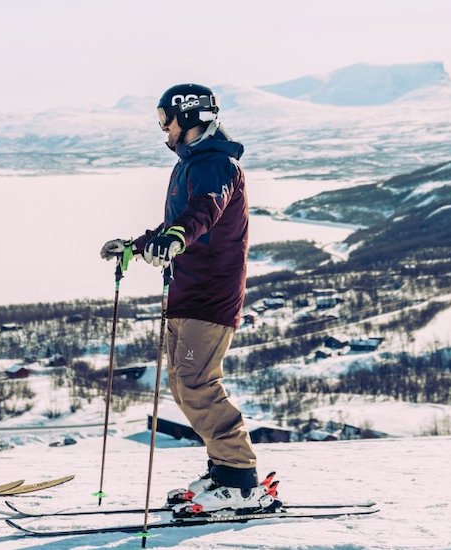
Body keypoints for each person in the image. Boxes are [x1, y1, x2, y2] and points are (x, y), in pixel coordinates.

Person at [99, 84, 273, 515]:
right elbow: (179, 223)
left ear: (190, 117)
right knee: (183, 384)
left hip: (209, 297)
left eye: (166, 119)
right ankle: (223, 471)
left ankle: (240, 481)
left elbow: (203, 212)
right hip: (186, 292)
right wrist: (137, 246)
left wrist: (176, 236)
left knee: (197, 382)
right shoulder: (191, 165)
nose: (163, 128)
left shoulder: (217, 166)